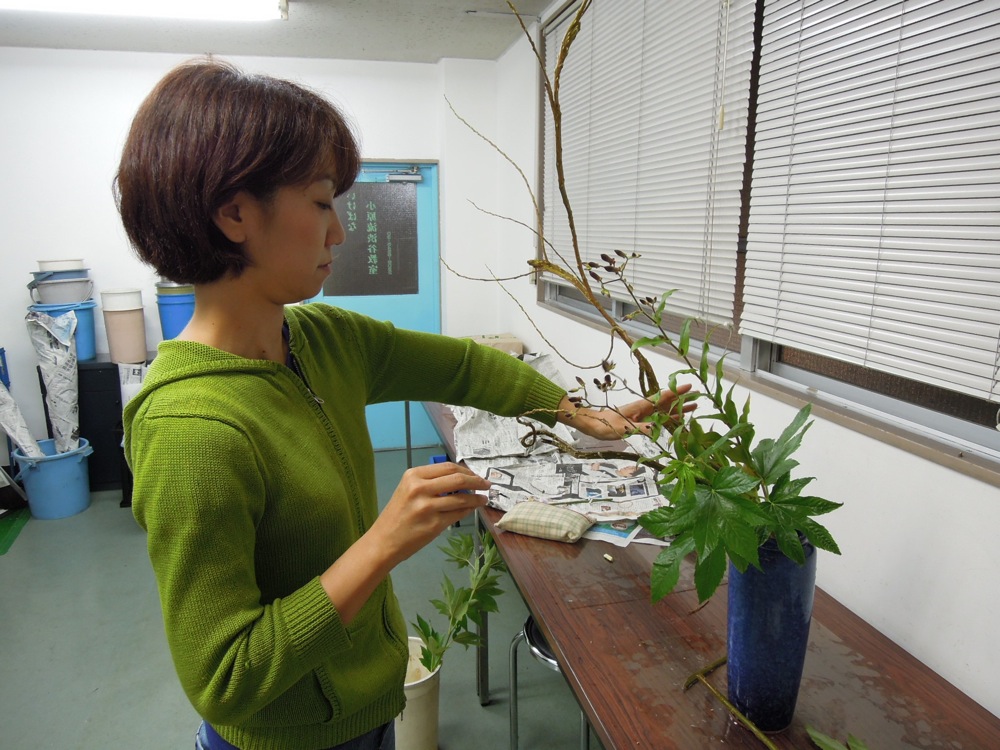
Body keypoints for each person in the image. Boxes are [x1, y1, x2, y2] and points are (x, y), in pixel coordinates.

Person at [115, 59, 691, 750]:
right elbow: (225, 677)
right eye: (323, 202)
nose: (341, 234)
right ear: (235, 212)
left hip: (369, 707)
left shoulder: (320, 338)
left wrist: (572, 412)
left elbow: (460, 364)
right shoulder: (190, 428)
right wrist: (384, 544)